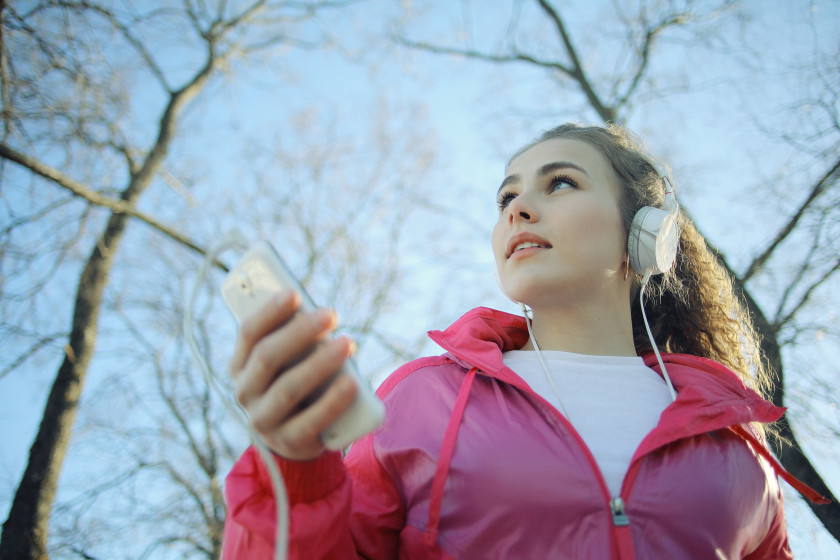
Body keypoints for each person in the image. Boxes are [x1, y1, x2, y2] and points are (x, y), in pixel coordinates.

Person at [222, 123, 826, 559]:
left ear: (646, 237)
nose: (518, 210)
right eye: (506, 197)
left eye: (560, 183)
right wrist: (293, 479)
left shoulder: (739, 451)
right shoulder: (422, 400)